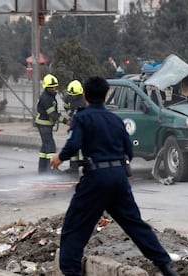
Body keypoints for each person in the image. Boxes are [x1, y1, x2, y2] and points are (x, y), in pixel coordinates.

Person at [50, 76, 178, 276]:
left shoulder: (82, 118)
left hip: (96, 179)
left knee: (74, 227)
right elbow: (129, 151)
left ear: (85, 96)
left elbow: (74, 145)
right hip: (119, 178)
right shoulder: (115, 120)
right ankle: (165, 265)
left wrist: (59, 158)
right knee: (135, 224)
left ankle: (71, 270)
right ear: (106, 95)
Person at [35, 74, 68, 174]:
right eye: (51, 87)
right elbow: (53, 114)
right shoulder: (46, 98)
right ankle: (52, 169)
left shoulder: (48, 96)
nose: (54, 89)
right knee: (50, 146)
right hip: (44, 124)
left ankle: (42, 169)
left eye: (55, 86)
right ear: (46, 87)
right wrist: (66, 121)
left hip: (44, 123)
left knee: (45, 146)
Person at [63, 80, 87, 173]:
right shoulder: (68, 97)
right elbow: (66, 106)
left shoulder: (83, 100)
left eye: (75, 95)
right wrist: (71, 115)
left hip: (83, 125)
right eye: (72, 95)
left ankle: (87, 166)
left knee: (85, 146)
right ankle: (73, 167)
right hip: (74, 124)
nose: (73, 96)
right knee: (73, 145)